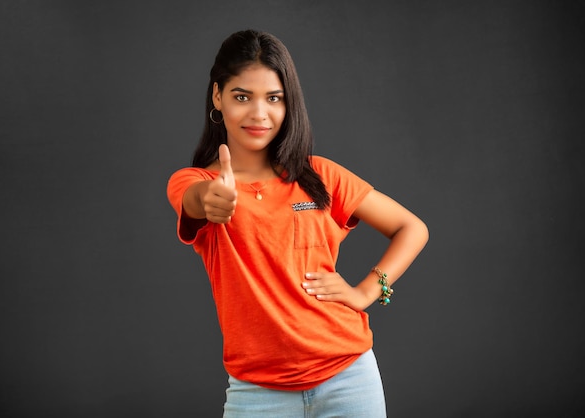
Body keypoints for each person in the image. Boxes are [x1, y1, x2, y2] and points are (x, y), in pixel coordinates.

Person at [167, 29, 429, 418]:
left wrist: (366, 293)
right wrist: (213, 203)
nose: (259, 113)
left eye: (274, 98)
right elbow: (196, 201)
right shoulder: (196, 183)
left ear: (289, 104)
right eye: (242, 97)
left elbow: (413, 228)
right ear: (217, 97)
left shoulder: (320, 175)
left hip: (349, 379)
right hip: (256, 393)